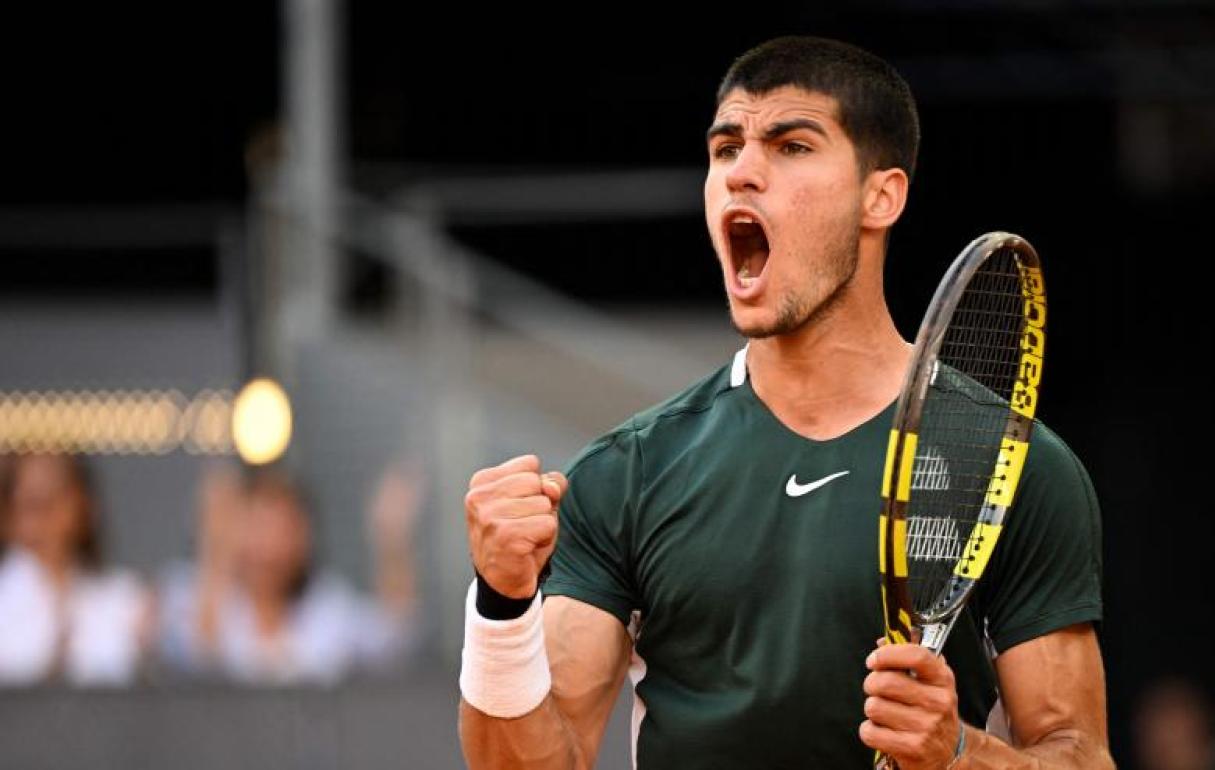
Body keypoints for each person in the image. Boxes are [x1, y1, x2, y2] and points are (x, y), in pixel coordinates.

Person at [458, 37, 1111, 769]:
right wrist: (501, 607)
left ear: (881, 195)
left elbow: (1079, 754)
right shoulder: (625, 473)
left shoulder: (1009, 465)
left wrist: (960, 752)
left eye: (791, 146)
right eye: (725, 148)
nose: (743, 173)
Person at [159, 463, 423, 685]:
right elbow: (195, 656)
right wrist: (215, 550)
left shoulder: (327, 610)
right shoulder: (189, 596)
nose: (268, 547)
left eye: (282, 529)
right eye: (256, 526)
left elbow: (393, 636)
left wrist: (391, 537)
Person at [0, 453, 150, 686]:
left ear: (82, 504)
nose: (48, 519)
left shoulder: (124, 597)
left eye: (57, 498)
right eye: (33, 504)